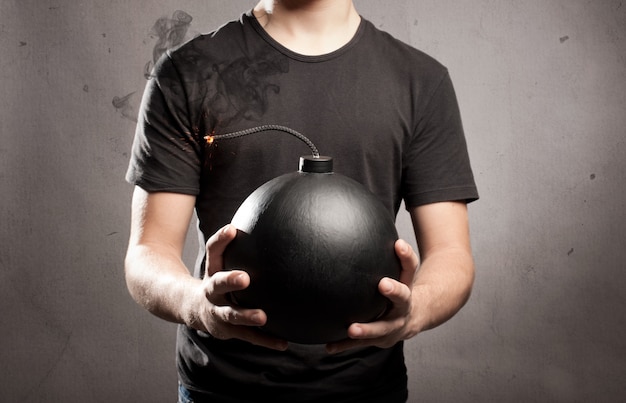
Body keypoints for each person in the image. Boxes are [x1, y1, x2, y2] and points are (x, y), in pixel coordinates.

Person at [124, 0, 478, 401]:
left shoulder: (419, 80)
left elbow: (451, 254)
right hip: (220, 387)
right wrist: (199, 307)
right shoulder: (187, 72)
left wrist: (414, 312)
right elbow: (148, 252)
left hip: (365, 388)